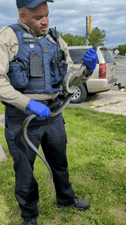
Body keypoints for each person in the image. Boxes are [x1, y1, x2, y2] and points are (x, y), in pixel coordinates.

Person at [0, 1, 98, 224]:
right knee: (25, 171)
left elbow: (68, 80)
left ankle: (65, 199)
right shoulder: (7, 37)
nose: (44, 21)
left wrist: (86, 70)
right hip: (23, 118)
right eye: (38, 17)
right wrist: (27, 103)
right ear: (22, 15)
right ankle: (29, 215)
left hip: (53, 115)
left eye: (47, 15)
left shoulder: (55, 39)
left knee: (60, 162)